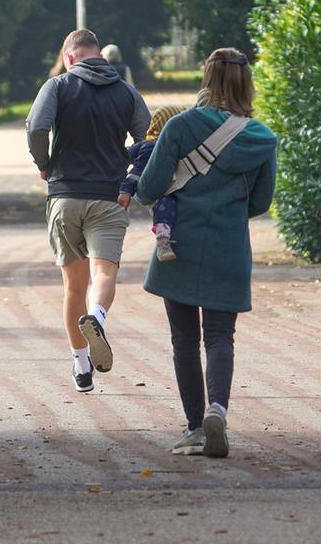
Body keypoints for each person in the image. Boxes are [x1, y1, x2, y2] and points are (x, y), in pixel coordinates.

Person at [135, 48, 277, 457]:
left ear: (207, 80)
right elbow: (262, 202)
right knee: (220, 337)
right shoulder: (260, 138)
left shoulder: (180, 127)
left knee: (184, 340)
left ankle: (196, 426)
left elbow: (149, 187)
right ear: (245, 83)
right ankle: (218, 408)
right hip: (228, 247)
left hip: (177, 246)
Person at [26, 28, 150, 392]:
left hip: (64, 196)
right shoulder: (127, 92)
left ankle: (81, 367)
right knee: (104, 274)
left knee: (72, 286)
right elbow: (147, 140)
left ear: (69, 57)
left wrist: (44, 162)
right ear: (99, 55)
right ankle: (96, 317)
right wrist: (132, 176)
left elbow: (37, 127)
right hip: (110, 197)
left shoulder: (58, 86)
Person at [118, 104, 186, 261]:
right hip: (162, 192)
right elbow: (137, 171)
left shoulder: (145, 145)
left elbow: (126, 156)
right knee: (165, 207)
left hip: (167, 188)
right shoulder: (153, 147)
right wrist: (125, 191)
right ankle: (163, 242)